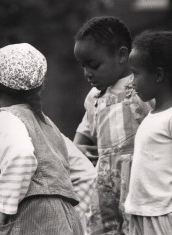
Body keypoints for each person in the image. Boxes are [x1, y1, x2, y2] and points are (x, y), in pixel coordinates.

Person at [0, 42, 96, 235]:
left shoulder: (5, 117)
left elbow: (22, 157)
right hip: (66, 218)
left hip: (34, 217)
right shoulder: (46, 123)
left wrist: (4, 211)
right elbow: (86, 174)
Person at [73, 16, 154, 235]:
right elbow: (84, 133)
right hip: (103, 183)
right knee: (101, 227)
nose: (87, 73)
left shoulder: (140, 90)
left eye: (94, 65)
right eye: (83, 66)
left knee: (134, 226)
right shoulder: (94, 97)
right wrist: (76, 152)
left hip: (137, 180)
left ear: (121, 55)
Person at [124, 30, 172, 235]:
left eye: (136, 73)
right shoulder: (152, 115)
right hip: (140, 212)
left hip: (161, 214)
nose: (131, 81)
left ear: (158, 75)